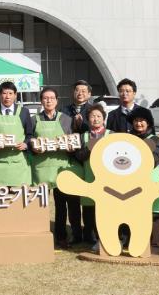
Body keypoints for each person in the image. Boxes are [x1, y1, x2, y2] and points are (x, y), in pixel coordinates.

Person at [30, 87, 83, 248]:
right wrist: (33, 146)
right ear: (41, 101)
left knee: (62, 205)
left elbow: (73, 141)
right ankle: (39, 234)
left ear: (57, 101)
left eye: (52, 98)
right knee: (40, 205)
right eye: (45, 98)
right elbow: (29, 140)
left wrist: (71, 147)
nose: (48, 101)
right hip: (41, 169)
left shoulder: (66, 119)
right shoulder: (34, 120)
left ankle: (62, 236)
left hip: (61, 168)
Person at [128, 112, 159, 255]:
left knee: (154, 213)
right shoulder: (128, 139)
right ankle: (137, 243)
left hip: (151, 180)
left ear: (148, 123)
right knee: (136, 213)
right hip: (133, 182)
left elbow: (156, 158)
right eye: (136, 121)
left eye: (142, 120)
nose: (138, 124)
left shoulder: (154, 139)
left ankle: (155, 246)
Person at [0, 82, 33, 187]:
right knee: (0, 196)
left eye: (10, 93)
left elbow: (30, 134)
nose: (7, 96)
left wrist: (25, 144)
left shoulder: (24, 112)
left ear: (15, 95)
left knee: (18, 196)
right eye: (4, 93)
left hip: (18, 163)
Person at [73, 104, 109, 245]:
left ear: (104, 119)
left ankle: (106, 237)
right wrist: (89, 148)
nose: (96, 119)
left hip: (108, 179)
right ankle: (90, 237)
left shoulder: (111, 134)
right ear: (88, 120)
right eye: (92, 116)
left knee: (106, 209)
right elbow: (78, 156)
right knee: (89, 209)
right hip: (89, 176)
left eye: (99, 116)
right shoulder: (84, 136)